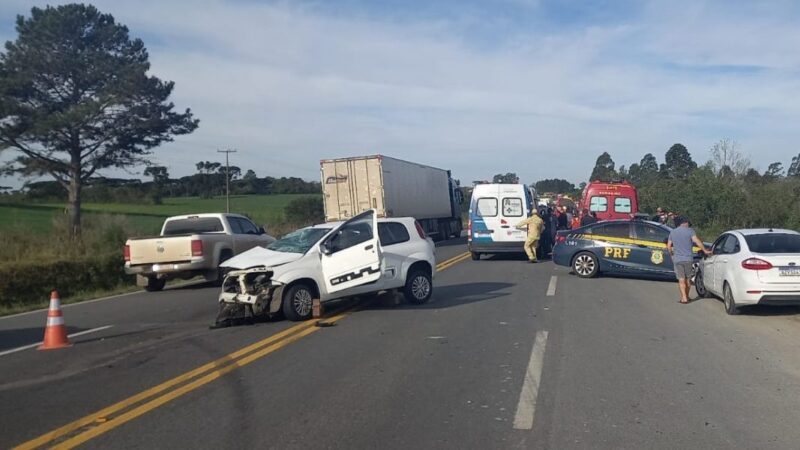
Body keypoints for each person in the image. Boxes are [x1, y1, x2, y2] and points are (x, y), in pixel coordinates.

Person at [667, 216, 711, 304]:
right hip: (688, 259)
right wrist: (705, 250)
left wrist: (672, 255)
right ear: (685, 223)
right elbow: (697, 241)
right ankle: (686, 296)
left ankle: (684, 298)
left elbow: (669, 246)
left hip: (678, 259)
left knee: (681, 279)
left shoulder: (673, 232)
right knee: (688, 280)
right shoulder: (690, 231)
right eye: (688, 223)